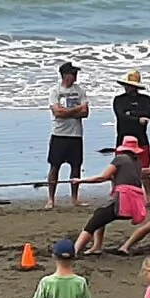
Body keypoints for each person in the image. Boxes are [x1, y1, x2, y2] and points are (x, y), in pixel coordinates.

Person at [45, 61, 90, 209]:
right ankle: (51, 199)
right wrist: (76, 109)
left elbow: (85, 112)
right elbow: (57, 112)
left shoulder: (80, 91)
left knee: (76, 167)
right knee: (54, 166)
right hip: (59, 133)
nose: (75, 75)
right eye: (72, 73)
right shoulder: (55, 91)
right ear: (65, 75)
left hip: (76, 134)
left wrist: (68, 112)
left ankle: (75, 198)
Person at [111, 70, 150, 150]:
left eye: (129, 85)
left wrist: (130, 112)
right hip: (123, 140)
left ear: (135, 87)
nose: (126, 87)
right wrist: (138, 119)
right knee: (122, 162)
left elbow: (148, 113)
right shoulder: (119, 100)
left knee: (144, 162)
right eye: (125, 85)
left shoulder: (145, 99)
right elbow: (121, 116)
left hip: (141, 140)